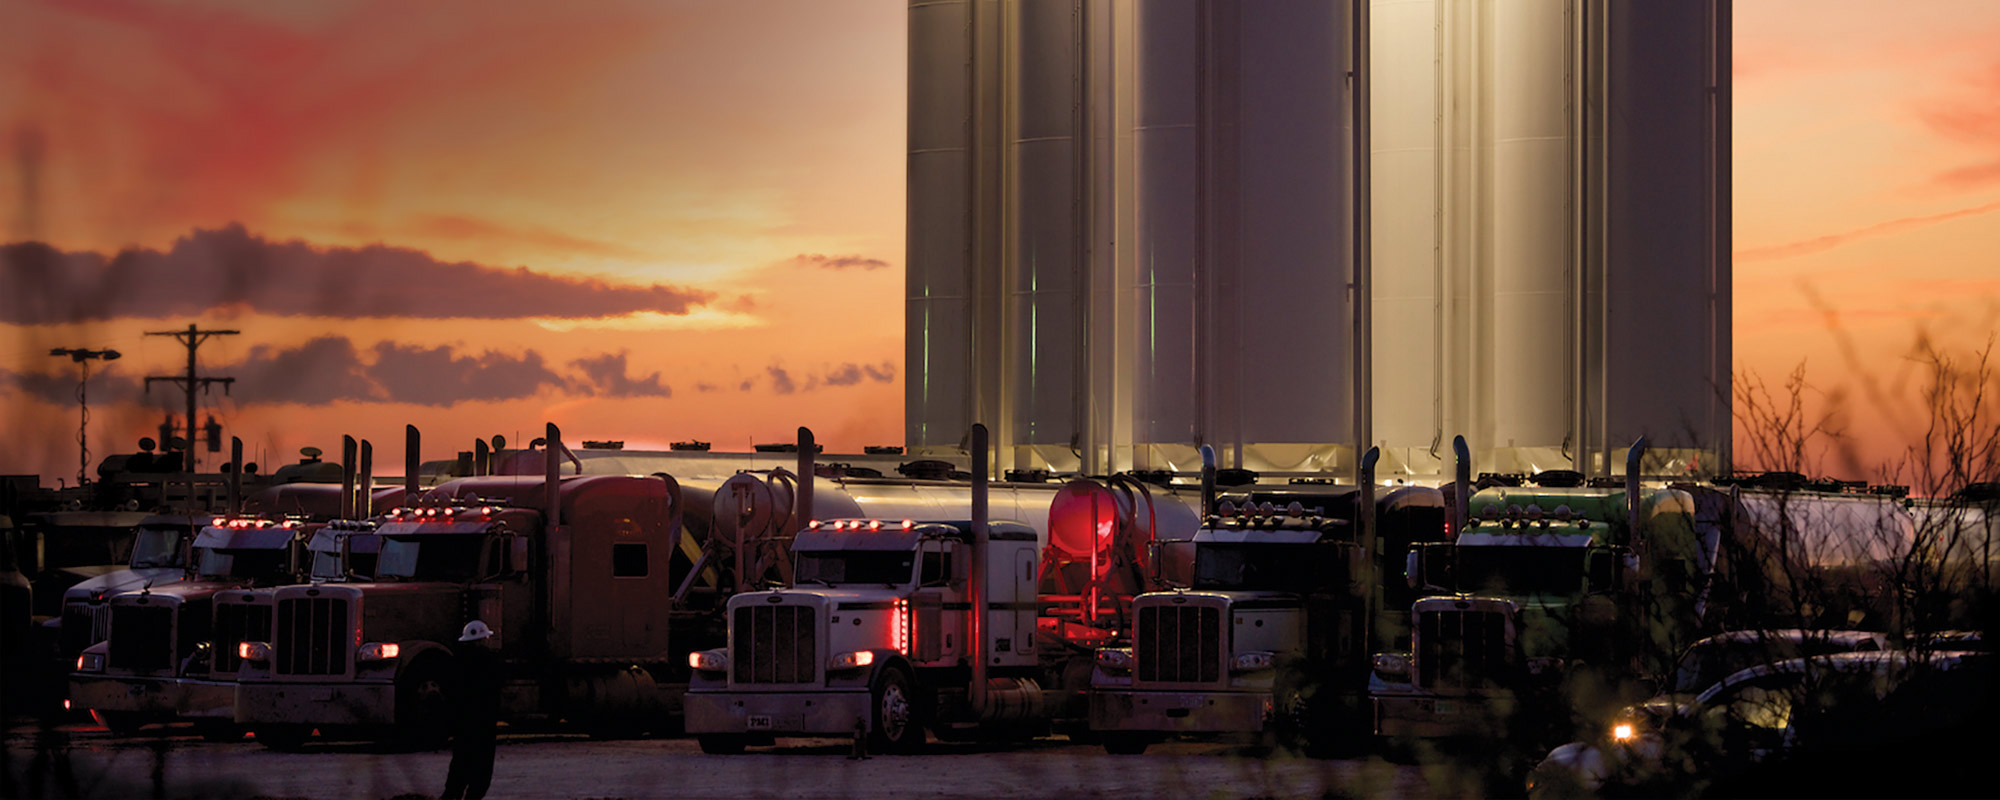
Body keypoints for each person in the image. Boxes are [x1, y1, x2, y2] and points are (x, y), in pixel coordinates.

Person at [441, 620, 500, 800]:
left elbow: (450, 695)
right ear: (483, 640)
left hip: (463, 727)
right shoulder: (490, 662)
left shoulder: (455, 663)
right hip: (484, 727)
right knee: (481, 776)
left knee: (458, 772)